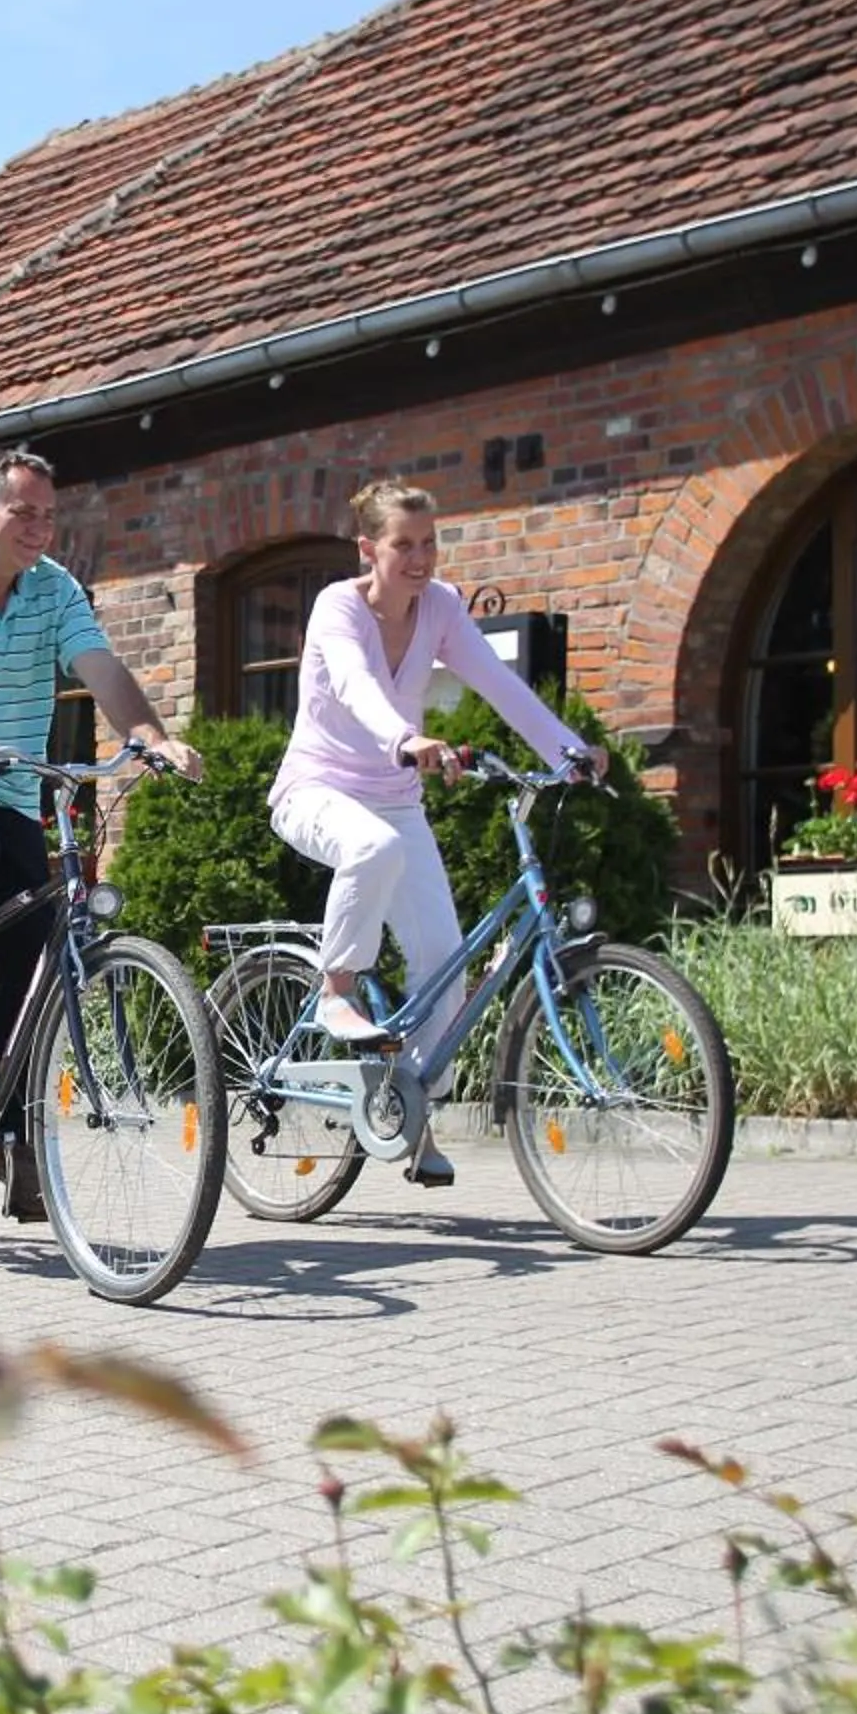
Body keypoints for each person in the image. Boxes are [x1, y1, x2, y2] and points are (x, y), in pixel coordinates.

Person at [0, 446, 202, 1218]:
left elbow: (101, 666)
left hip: (11, 782)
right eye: (25, 513)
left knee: (37, 941)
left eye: (49, 515)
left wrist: (150, 734)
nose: (40, 529)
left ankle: (10, 1136)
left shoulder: (54, 592)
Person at [268, 479, 605, 1187]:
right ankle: (337, 986)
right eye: (403, 545)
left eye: (429, 543)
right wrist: (405, 737)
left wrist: (565, 751)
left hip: (395, 800)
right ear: (369, 548)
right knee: (371, 848)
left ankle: (412, 1112)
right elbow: (358, 686)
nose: (420, 559)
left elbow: (500, 684)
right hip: (316, 790)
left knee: (443, 964)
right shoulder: (338, 608)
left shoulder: (442, 607)